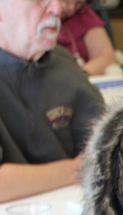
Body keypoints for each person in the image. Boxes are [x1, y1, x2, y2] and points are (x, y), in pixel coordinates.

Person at [0, 0, 104, 203]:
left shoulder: (61, 63)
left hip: (71, 211)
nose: (57, 8)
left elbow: (107, 147)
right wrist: (77, 169)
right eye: (39, 0)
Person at [57, 0, 116, 75]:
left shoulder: (84, 12)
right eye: (66, 1)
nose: (71, 8)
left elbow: (107, 57)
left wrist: (79, 76)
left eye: (78, 3)